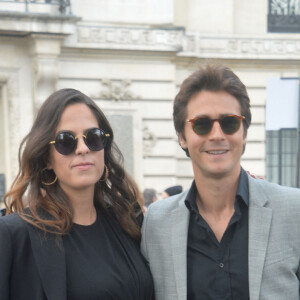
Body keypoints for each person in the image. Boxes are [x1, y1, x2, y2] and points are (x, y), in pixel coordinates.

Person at [141, 64, 300, 300]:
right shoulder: (156, 223)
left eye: (229, 122)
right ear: (182, 137)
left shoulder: (293, 210)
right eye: (202, 124)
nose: (217, 135)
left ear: (244, 132)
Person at [0, 88, 154, 300]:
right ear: (46, 158)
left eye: (93, 137)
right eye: (66, 141)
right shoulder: (13, 235)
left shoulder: (128, 222)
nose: (82, 148)